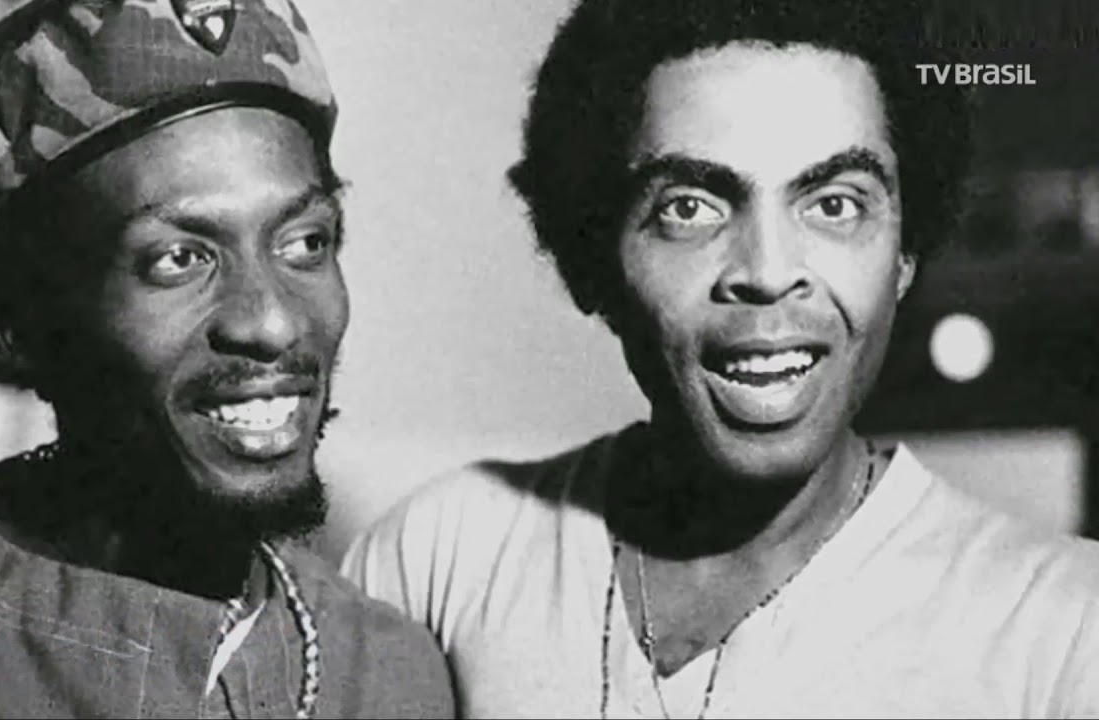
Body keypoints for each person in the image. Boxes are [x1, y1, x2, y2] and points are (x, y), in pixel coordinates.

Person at [341, 0, 1099, 717]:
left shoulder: (1064, 628)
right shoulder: (441, 561)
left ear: (905, 253)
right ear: (594, 261)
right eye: (689, 208)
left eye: (835, 204)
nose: (767, 272)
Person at [0, 1, 454, 717]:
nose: (272, 322)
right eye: (179, 258)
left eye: (306, 242)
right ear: (22, 317)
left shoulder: (385, 680)